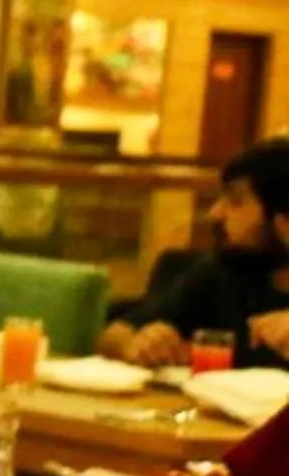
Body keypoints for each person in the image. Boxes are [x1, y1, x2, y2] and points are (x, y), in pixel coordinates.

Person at [99, 136, 289, 371]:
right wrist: (137, 345)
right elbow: (114, 334)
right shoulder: (220, 272)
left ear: (285, 222)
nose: (216, 213)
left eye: (236, 202)